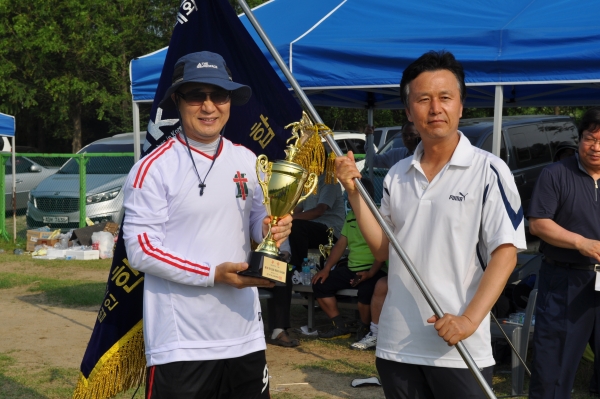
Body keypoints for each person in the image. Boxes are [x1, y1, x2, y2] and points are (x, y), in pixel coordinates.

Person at [335, 50, 526, 398]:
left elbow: (506, 253)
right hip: (397, 343)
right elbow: (383, 247)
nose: (435, 108)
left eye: (445, 98)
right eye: (423, 99)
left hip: (458, 347)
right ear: (409, 112)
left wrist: (468, 321)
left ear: (461, 105)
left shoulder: (488, 170)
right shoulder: (397, 173)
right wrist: (354, 194)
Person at [122, 51, 293, 399]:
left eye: (219, 95)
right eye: (196, 95)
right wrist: (212, 273)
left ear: (230, 101)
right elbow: (141, 250)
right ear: (177, 100)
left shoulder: (247, 159)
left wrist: (271, 228)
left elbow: (259, 219)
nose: (209, 106)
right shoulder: (153, 168)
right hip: (181, 343)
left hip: (244, 334)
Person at [527, 106, 600, 399]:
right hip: (566, 282)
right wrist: (581, 243)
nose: (595, 147)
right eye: (589, 138)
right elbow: (538, 224)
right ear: (579, 139)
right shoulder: (556, 174)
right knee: (553, 368)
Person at [351, 122, 421, 351]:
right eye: (406, 135)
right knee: (382, 286)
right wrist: (369, 139)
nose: (410, 139)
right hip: (399, 261)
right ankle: (376, 333)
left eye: (413, 135)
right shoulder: (398, 159)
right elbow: (372, 162)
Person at [266, 172, 345, 347]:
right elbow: (299, 209)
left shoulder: (330, 181)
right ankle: (293, 266)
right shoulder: (309, 182)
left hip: (331, 230)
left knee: (297, 226)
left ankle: (298, 268)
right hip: (312, 227)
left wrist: (290, 219)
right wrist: (283, 219)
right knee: (293, 227)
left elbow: (319, 211)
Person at [311, 178, 387, 340]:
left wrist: (371, 273)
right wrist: (326, 269)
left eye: (352, 195)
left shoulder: (381, 215)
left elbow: (384, 250)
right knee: (319, 284)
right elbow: (339, 245)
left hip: (374, 270)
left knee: (366, 292)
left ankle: (365, 328)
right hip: (352, 268)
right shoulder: (351, 216)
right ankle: (340, 326)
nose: (349, 200)